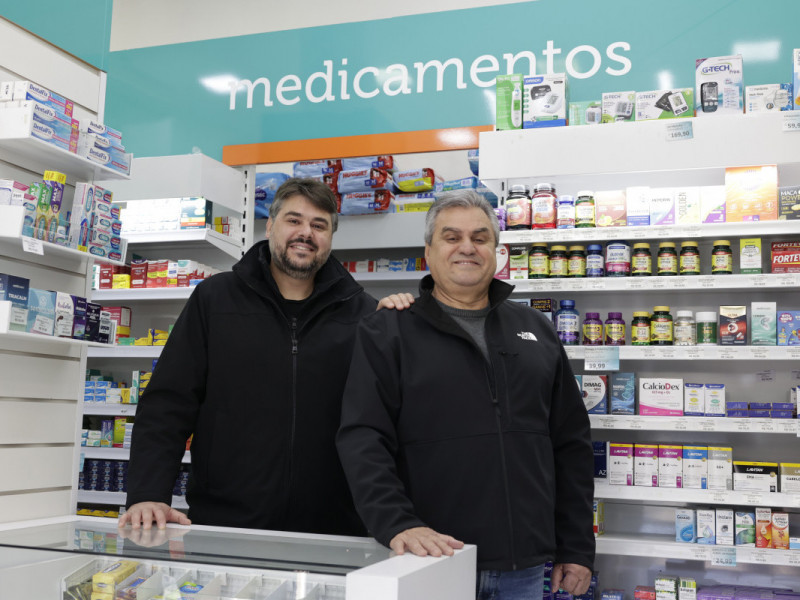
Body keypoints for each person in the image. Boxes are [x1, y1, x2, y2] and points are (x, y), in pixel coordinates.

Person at [336, 190, 595, 599]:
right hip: (428, 557)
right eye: (451, 237)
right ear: (429, 251)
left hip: (521, 565)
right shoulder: (388, 331)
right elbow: (363, 437)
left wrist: (577, 545)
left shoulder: (536, 329)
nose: (467, 248)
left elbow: (571, 443)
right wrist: (397, 523)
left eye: (480, 237)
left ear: (496, 250)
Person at [119, 177, 411, 534]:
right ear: (270, 225)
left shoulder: (363, 315)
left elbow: (385, 424)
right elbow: (167, 404)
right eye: (294, 220)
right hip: (227, 522)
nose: (306, 233)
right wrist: (147, 493)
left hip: (335, 528)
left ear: (330, 238)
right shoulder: (216, 300)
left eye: (319, 225)